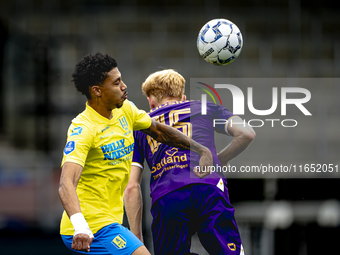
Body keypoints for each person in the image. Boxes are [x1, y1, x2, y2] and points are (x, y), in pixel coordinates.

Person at [58, 53, 213, 255]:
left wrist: (201, 149)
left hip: (110, 221)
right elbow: (65, 184)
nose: (124, 86)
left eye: (121, 79)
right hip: (90, 226)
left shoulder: (126, 111)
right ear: (97, 90)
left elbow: (159, 130)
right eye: (116, 83)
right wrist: (80, 226)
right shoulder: (83, 128)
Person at [125, 69, 255, 255]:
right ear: (183, 97)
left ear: (151, 102)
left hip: (168, 196)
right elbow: (247, 133)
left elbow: (131, 187)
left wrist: (136, 239)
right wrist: (219, 160)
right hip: (208, 188)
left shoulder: (140, 127)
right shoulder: (205, 108)